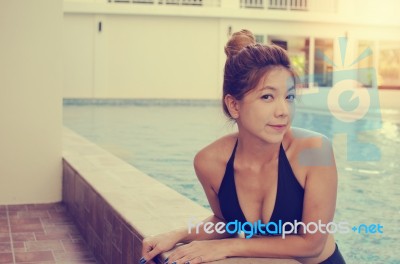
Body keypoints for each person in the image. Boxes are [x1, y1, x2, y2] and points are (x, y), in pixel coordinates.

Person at [140, 29, 346, 264]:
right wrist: (179, 234)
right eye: (267, 97)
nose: (283, 111)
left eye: (289, 97)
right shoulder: (210, 162)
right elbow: (226, 221)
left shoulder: (314, 150)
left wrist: (227, 247)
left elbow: (312, 243)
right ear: (234, 106)